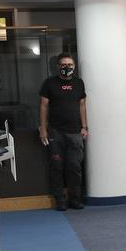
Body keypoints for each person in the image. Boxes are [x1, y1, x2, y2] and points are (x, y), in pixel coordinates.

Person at [39, 53, 87, 211]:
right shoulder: (49, 83)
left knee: (74, 166)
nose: (67, 68)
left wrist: (84, 127)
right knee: (57, 166)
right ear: (58, 67)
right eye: (64, 65)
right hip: (55, 132)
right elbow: (44, 106)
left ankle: (75, 198)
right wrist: (43, 129)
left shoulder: (79, 83)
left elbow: (82, 105)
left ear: (74, 67)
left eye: (70, 65)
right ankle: (60, 199)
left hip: (75, 132)